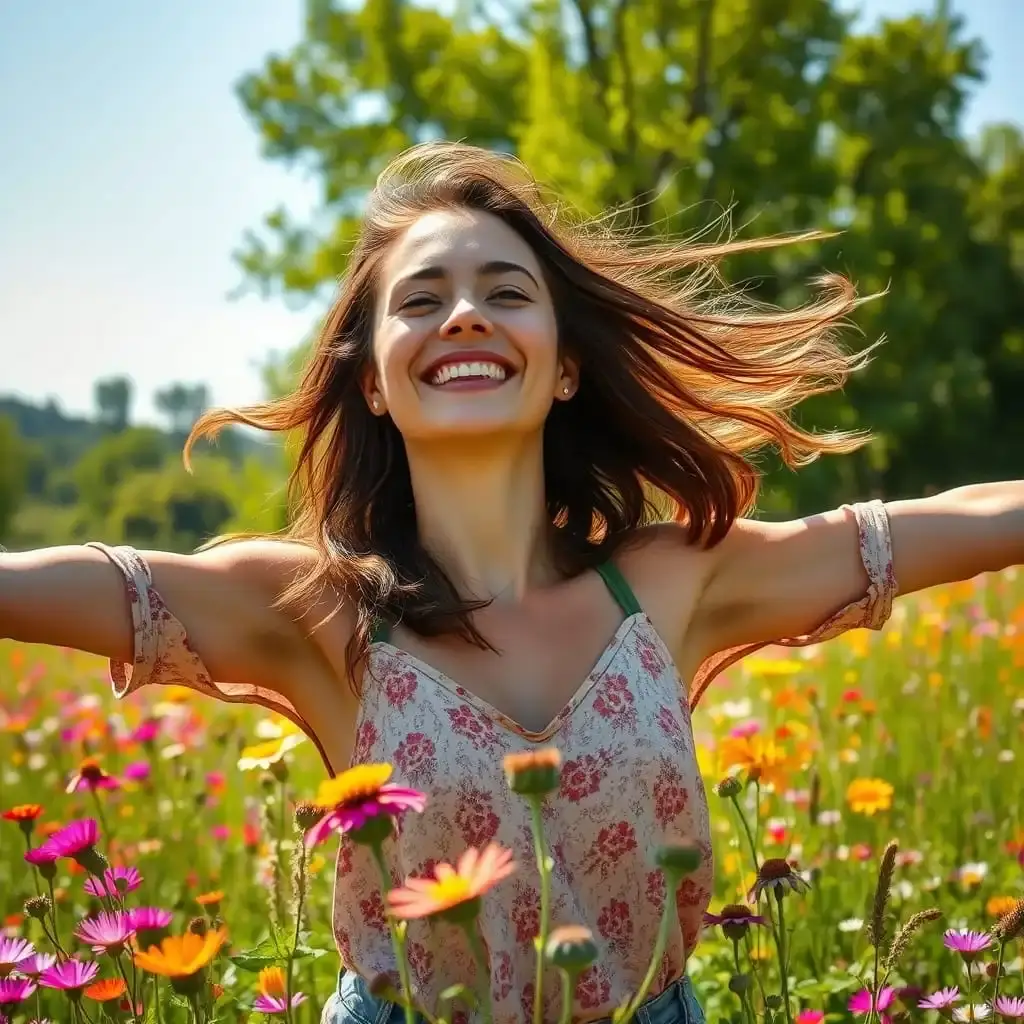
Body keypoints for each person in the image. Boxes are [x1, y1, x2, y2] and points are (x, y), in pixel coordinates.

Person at [1, 142, 1021, 1024]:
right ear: (372, 378)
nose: (462, 317)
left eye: (504, 291)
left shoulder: (669, 585)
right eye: (420, 299)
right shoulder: (318, 612)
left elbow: (937, 527)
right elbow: (69, 584)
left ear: (564, 365)